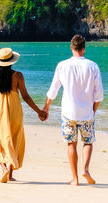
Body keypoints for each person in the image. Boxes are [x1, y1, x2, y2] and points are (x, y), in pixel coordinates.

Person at [42, 34, 104, 186]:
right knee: (88, 142)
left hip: (68, 113)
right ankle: (86, 170)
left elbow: (53, 90)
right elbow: (99, 95)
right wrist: (93, 111)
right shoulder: (93, 66)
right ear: (83, 49)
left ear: (71, 48)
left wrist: (46, 108)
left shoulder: (62, 65)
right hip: (86, 113)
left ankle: (75, 179)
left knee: (71, 144)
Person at [0, 46, 47, 183]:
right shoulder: (18, 76)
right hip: (15, 112)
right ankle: (10, 173)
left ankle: (3, 168)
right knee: (14, 139)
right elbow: (25, 96)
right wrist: (39, 112)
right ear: (12, 62)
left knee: (0, 140)